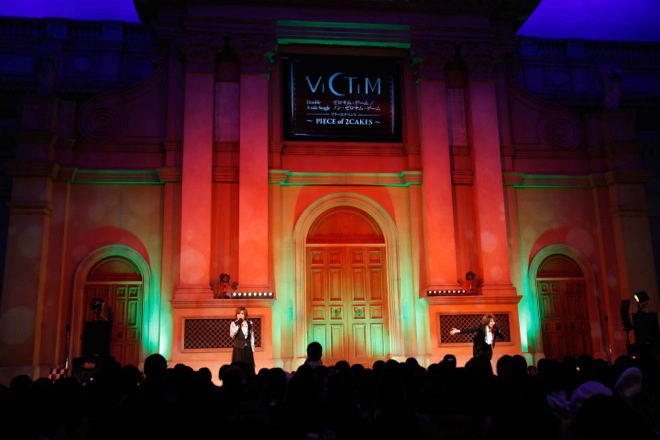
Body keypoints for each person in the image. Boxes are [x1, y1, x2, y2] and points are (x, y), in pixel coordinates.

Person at [230, 306, 255, 375]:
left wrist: (252, 348)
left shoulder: (249, 323)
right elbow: (232, 335)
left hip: (248, 348)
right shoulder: (233, 324)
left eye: (242, 313)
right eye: (238, 314)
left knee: (249, 367)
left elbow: (251, 336)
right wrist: (238, 326)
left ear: (245, 315)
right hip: (238, 349)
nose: (240, 315)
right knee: (238, 368)